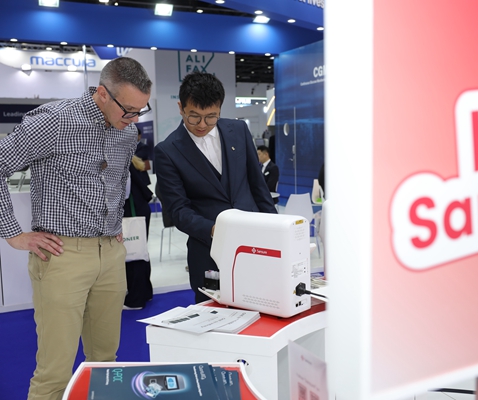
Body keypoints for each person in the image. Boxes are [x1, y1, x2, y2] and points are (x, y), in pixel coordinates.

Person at [0, 57, 152, 400]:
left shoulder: (126, 132)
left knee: (105, 363)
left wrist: (114, 222)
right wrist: (13, 234)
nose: (133, 120)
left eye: (140, 111)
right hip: (62, 255)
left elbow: (117, 179)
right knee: (54, 373)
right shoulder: (54, 121)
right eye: (128, 110)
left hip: (110, 255)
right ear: (103, 93)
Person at [154, 72, 276, 304]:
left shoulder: (238, 130)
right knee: (214, 315)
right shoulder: (167, 151)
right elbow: (178, 210)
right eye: (194, 117)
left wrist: (275, 230)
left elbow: (258, 186)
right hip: (208, 252)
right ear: (181, 108)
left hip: (255, 245)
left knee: (262, 307)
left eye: (211, 117)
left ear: (220, 108)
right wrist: (214, 230)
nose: (202, 125)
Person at [123, 128, 154, 310]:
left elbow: (125, 192)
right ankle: (144, 292)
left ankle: (136, 298)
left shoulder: (124, 159)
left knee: (132, 253)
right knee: (140, 251)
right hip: (139, 210)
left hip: (132, 212)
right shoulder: (131, 158)